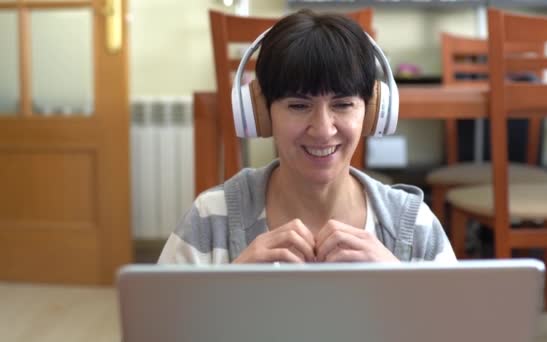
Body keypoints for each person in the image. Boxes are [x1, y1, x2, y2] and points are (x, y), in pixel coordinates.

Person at [158, 9, 456, 264]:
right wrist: (231, 283)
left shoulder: (414, 227)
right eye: (299, 105)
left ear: (373, 112)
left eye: (342, 104)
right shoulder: (210, 221)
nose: (323, 129)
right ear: (261, 113)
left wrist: (402, 283)